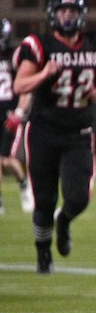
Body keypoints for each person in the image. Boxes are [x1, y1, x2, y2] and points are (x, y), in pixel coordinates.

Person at [13, 0, 96, 273]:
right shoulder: (39, 45)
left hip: (78, 131)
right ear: (53, 15)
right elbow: (20, 85)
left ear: (81, 14)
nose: (67, 16)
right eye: (62, 11)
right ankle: (43, 252)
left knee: (79, 198)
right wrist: (44, 75)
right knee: (44, 200)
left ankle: (65, 220)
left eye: (72, 11)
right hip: (44, 131)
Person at [0, 17, 33, 215]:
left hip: (10, 114)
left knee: (6, 160)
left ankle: (23, 185)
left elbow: (25, 88)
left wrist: (19, 112)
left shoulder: (15, 56)